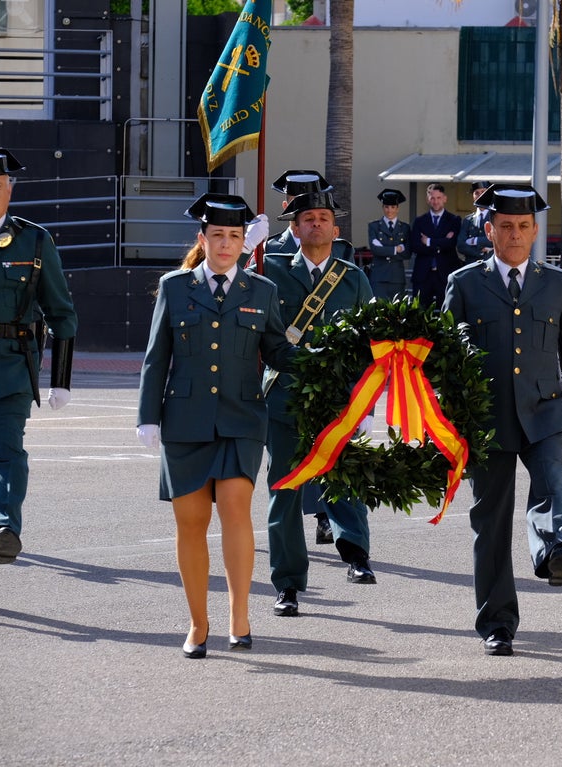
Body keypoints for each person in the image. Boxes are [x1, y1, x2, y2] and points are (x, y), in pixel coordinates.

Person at [137, 193, 295, 657]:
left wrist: (330, 362)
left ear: (245, 242)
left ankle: (240, 616)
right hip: (184, 421)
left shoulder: (261, 291)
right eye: (218, 236)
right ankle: (197, 623)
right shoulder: (174, 287)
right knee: (190, 523)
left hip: (242, 419)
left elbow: (279, 352)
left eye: (235, 236)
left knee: (235, 510)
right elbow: (155, 358)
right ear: (202, 240)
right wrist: (147, 417)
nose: (226, 245)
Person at [442, 184, 562, 656]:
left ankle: (553, 552)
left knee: (553, 486)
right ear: (489, 230)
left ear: (536, 232)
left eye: (524, 226)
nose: (515, 234)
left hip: (546, 412)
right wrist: (453, 419)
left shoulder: (558, 284)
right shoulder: (465, 283)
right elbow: (445, 354)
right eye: (506, 226)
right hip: (486, 421)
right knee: (490, 522)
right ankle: (497, 624)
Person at [256, 191, 377, 617]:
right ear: (294, 227)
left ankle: (356, 556)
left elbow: (369, 342)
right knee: (285, 488)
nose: (317, 224)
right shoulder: (268, 269)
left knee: (343, 476)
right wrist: (247, 250)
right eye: (308, 218)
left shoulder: (352, 277)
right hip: (285, 394)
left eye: (324, 218)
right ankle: (287, 582)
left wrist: (365, 402)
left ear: (336, 229)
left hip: (338, 398)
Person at [0, 148, 77, 566]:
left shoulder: (35, 240)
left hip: (11, 365)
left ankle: (5, 527)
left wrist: (60, 379)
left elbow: (61, 312)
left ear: (10, 189)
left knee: (7, 448)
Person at [264, 170, 351, 547]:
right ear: (289, 210)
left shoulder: (339, 251)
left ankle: (322, 515)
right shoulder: (265, 252)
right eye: (302, 205)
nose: (315, 218)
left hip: (325, 374)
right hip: (278, 374)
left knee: (322, 447)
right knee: (278, 458)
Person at [410, 182, 462, 308]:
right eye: (432, 198)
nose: (436, 201)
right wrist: (441, 242)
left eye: (438, 198)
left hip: (445, 273)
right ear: (428, 200)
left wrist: (429, 241)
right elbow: (415, 246)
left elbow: (451, 243)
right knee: (419, 314)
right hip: (423, 274)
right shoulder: (419, 221)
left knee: (446, 313)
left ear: (445, 198)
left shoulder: (454, 220)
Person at [367, 187, 413, 300]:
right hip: (379, 276)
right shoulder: (374, 226)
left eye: (393, 207)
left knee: (397, 313)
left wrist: (384, 249)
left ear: (397, 208)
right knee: (377, 310)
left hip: (397, 277)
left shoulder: (405, 228)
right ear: (383, 207)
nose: (389, 210)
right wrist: (395, 249)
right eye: (386, 207)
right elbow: (375, 250)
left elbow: (407, 253)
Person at [457, 181, 493, 263]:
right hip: (471, 265)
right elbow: (461, 245)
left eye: (483, 192)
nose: (480, 195)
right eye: (476, 193)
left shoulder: (496, 217)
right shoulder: (468, 220)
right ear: (473, 196)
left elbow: (497, 240)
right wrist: (479, 253)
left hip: (490, 264)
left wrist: (475, 240)